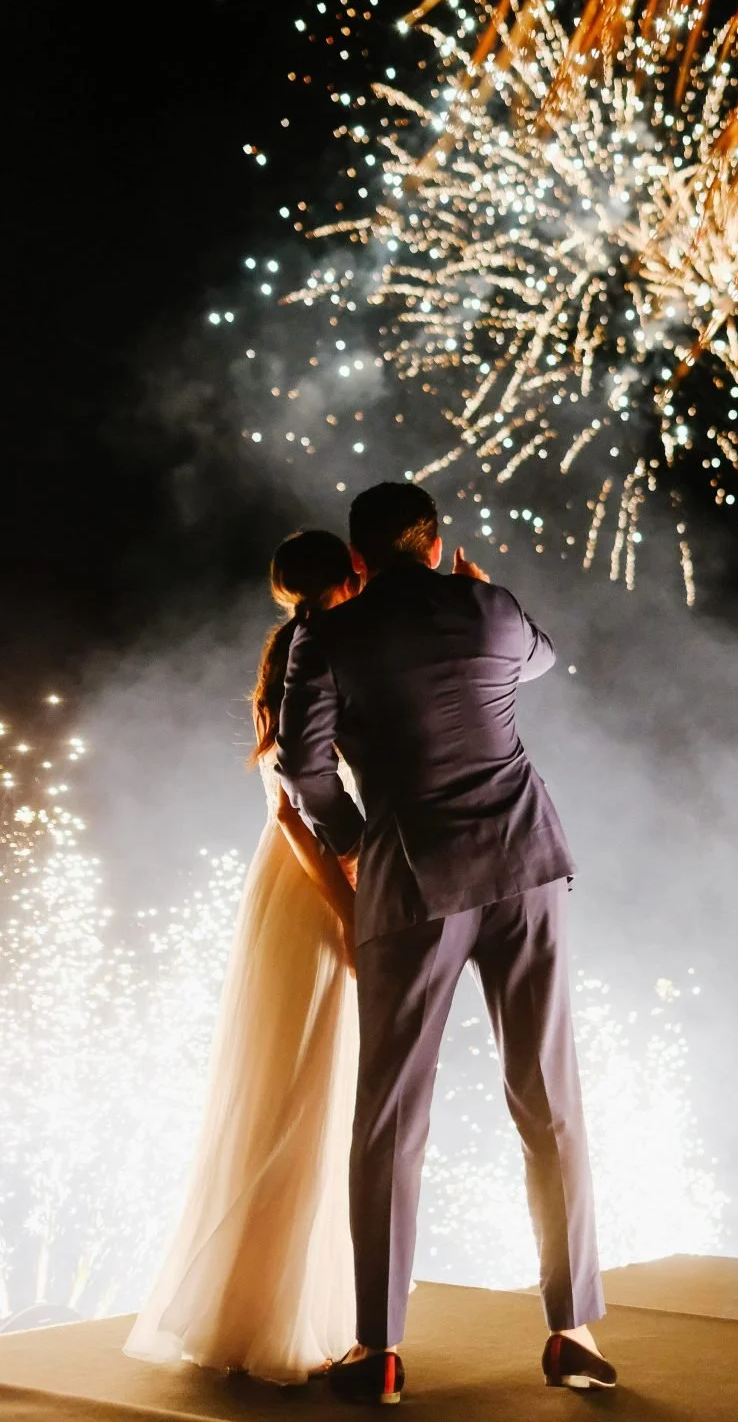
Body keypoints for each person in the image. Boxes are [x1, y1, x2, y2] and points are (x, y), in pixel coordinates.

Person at [278, 482, 615, 1405]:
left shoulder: (328, 635)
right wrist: (480, 589)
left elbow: (304, 768)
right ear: (434, 544)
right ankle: (571, 1327)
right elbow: (540, 659)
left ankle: (379, 1349)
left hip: (417, 877)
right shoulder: (491, 606)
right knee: (550, 1101)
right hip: (525, 864)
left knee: (390, 1118)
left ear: (357, 559)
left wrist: (356, 843)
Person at [124, 530, 362, 1384]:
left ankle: (271, 1307)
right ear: (353, 577)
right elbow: (296, 814)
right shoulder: (319, 656)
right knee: (298, 1096)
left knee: (304, 1097)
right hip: (314, 894)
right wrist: (350, 910)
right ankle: (264, 1316)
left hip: (301, 890)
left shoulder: (297, 654)